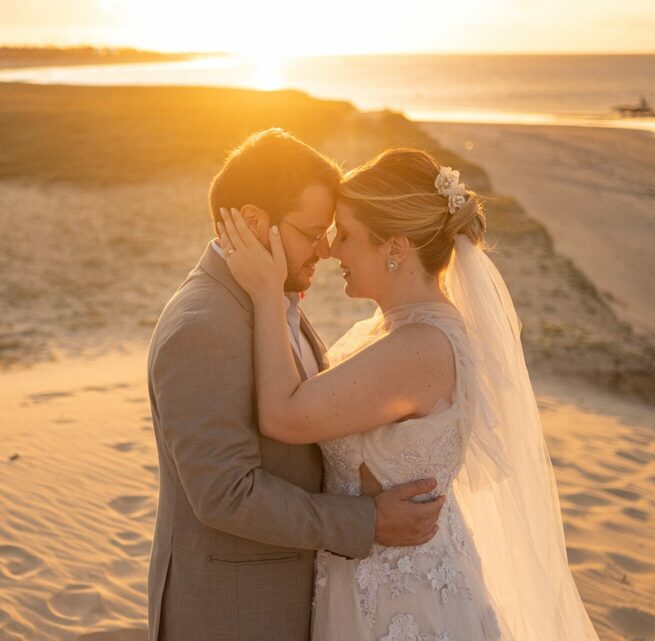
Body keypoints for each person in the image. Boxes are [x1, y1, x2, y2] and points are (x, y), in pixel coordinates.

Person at [218, 148, 600, 640]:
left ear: (395, 247)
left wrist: (268, 294)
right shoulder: (390, 332)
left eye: (346, 234)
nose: (331, 250)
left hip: (401, 600)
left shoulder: (420, 347)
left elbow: (283, 417)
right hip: (365, 580)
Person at [146, 130, 444, 641]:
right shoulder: (202, 327)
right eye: (312, 232)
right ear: (254, 222)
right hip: (233, 615)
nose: (325, 249)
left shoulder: (272, 301)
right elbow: (224, 494)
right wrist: (366, 522)